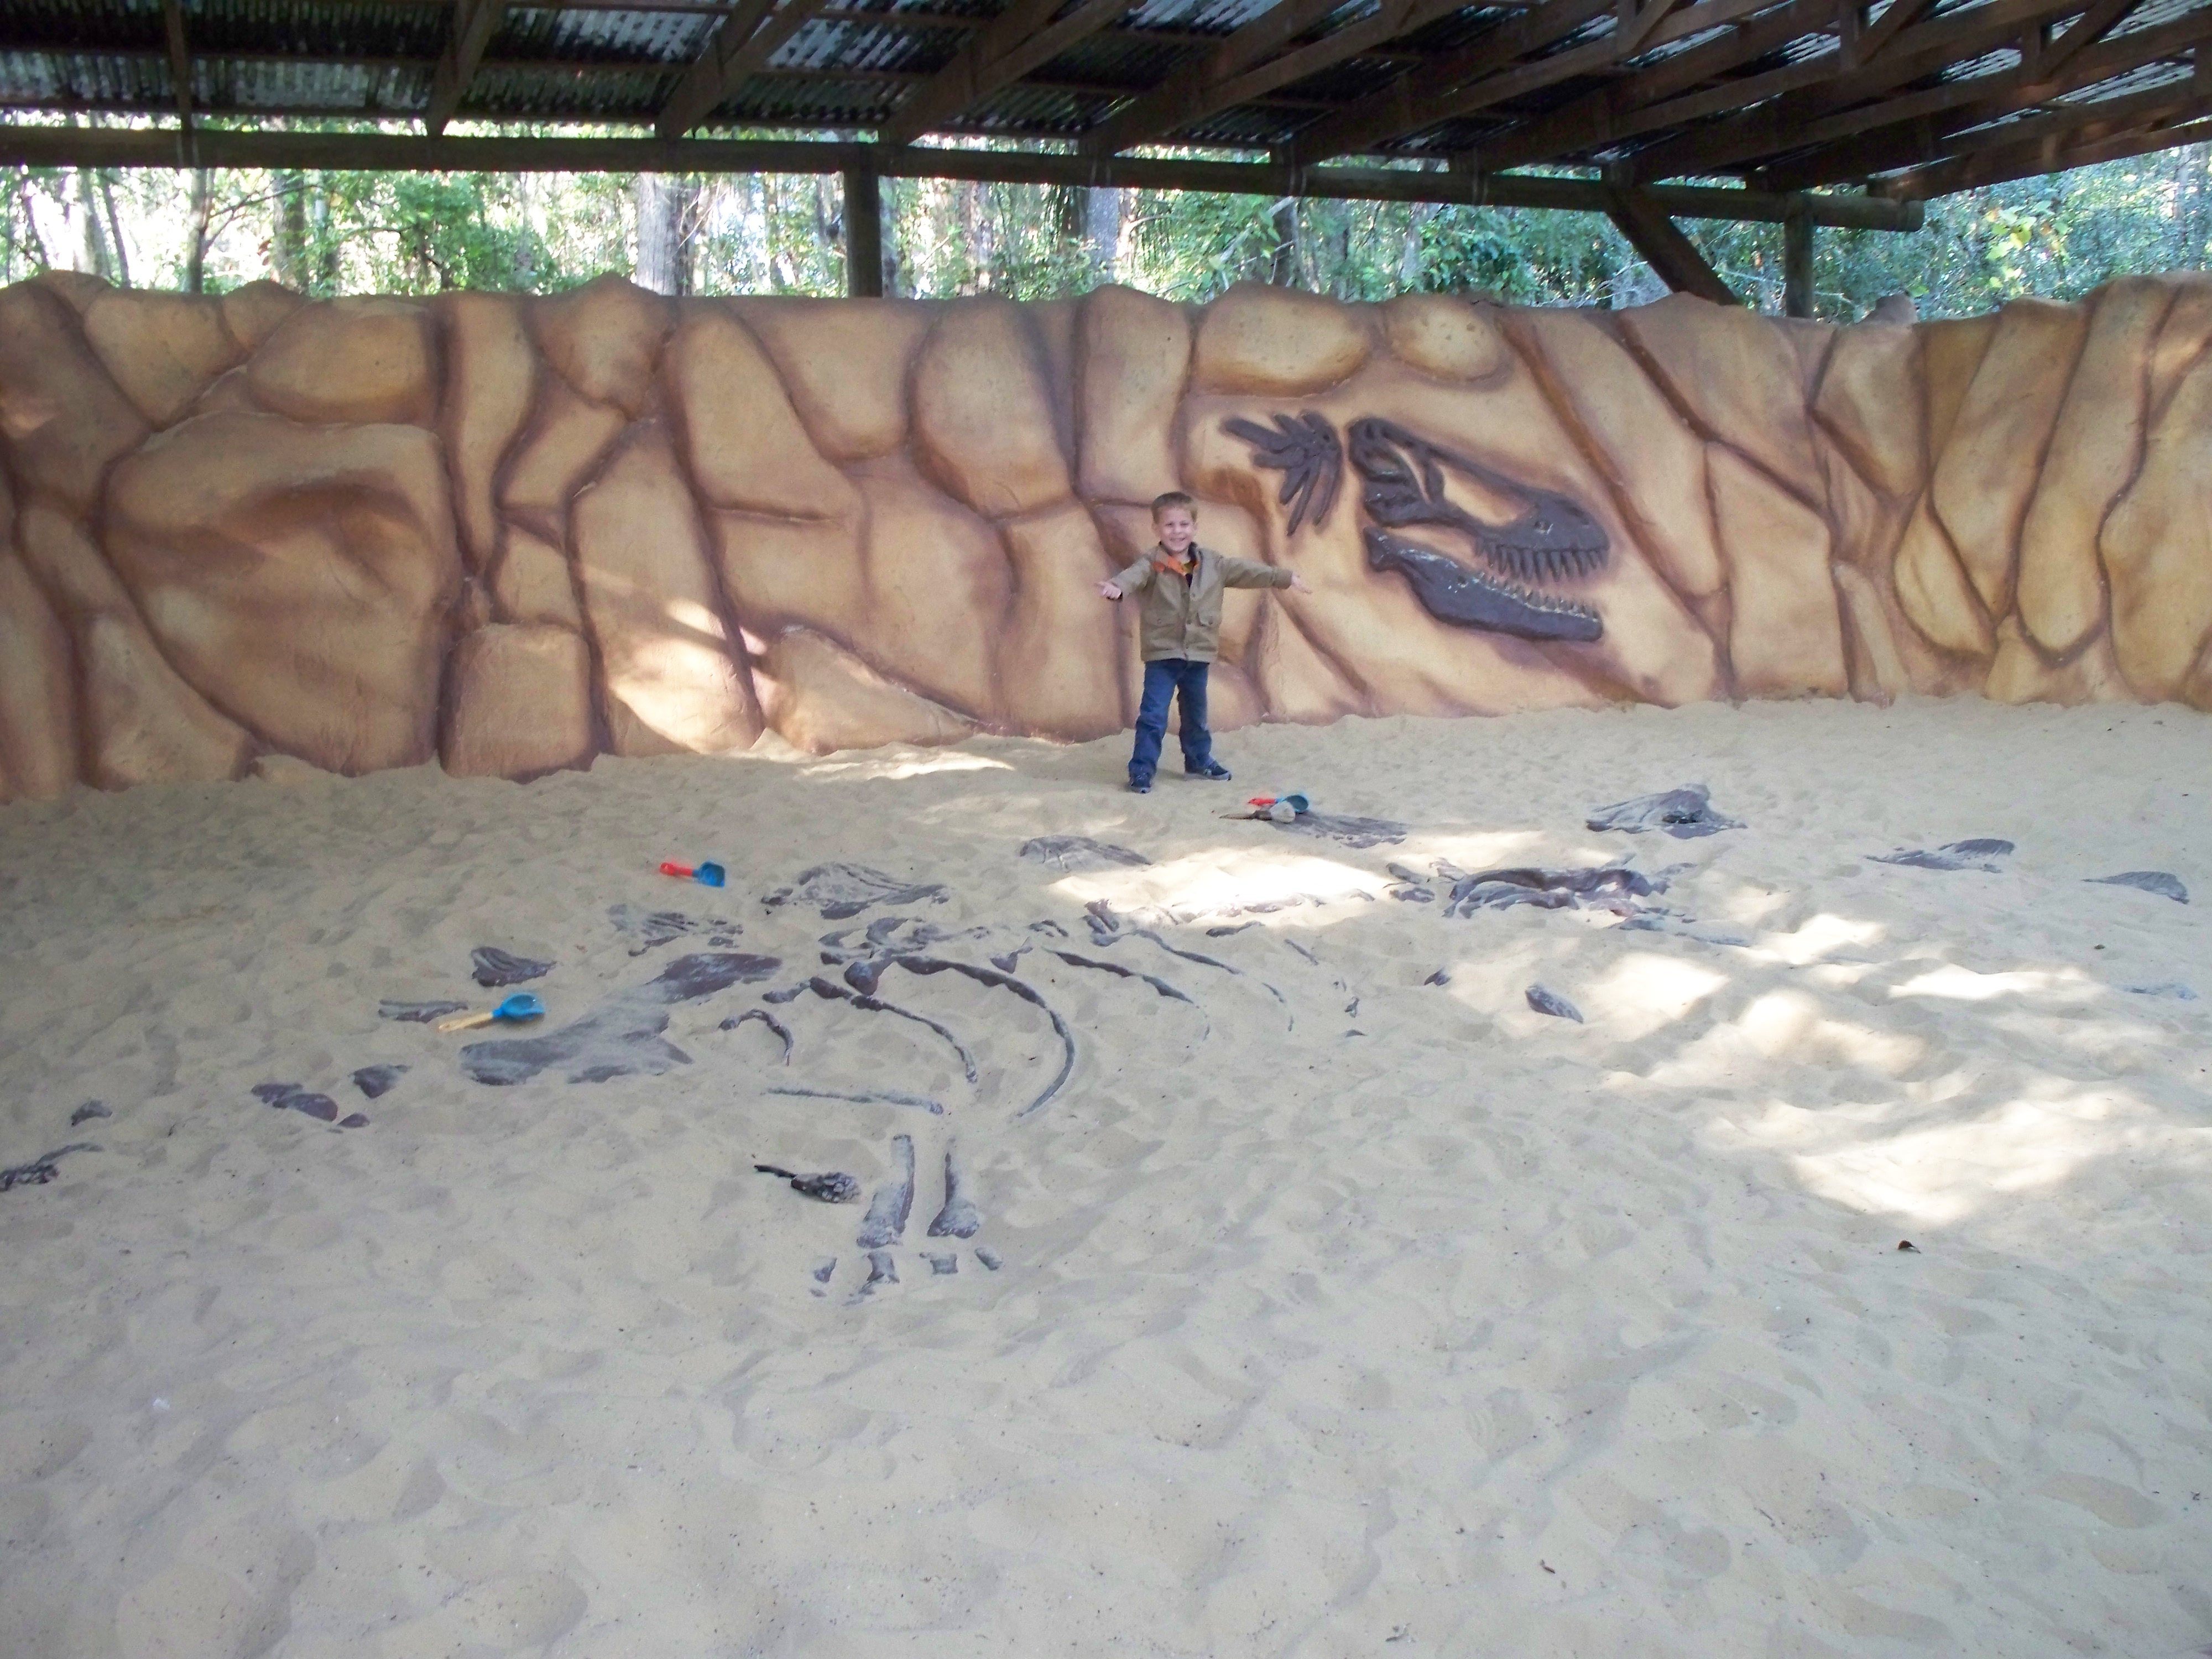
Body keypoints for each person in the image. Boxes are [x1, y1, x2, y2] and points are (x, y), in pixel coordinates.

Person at [1099, 491, 1311, 794]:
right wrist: (1117, 587)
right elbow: (1133, 576)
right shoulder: (1151, 562)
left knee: (1196, 714)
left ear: (1195, 528)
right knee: (1153, 716)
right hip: (1163, 655)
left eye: (1184, 524)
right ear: (1156, 529)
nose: (1177, 531)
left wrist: (1284, 577)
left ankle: (1198, 760)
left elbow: (1247, 572)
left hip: (1198, 655)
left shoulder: (1214, 563)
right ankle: (1142, 770)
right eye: (1169, 525)